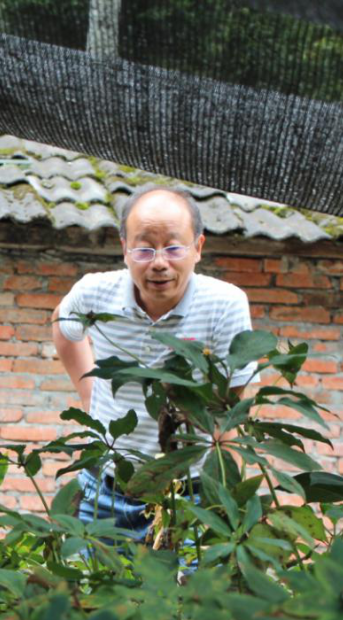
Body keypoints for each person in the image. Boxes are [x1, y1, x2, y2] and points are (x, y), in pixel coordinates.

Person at [52, 186, 256, 541]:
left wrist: (224, 506)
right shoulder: (95, 293)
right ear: (125, 250)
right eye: (144, 248)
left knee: (186, 596)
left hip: (188, 491)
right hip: (104, 481)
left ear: (198, 248)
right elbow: (62, 325)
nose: (159, 262)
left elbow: (229, 413)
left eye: (174, 247)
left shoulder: (225, 305)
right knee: (88, 592)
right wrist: (88, 391)